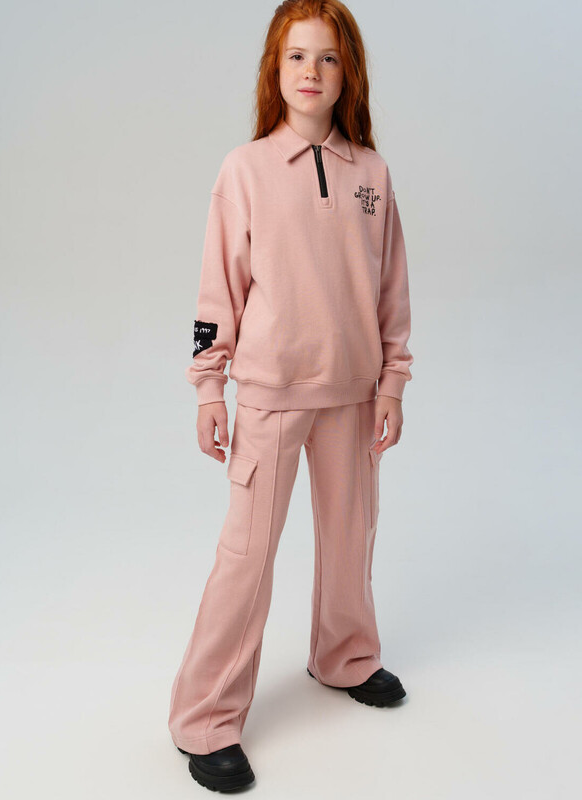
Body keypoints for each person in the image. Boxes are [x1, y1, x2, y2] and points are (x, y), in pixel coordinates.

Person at [168, 0, 414, 791]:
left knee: (350, 539)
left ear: (349, 74)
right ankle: (205, 718)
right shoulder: (243, 171)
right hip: (272, 393)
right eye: (297, 57)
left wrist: (392, 381)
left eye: (328, 57)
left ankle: (345, 658)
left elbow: (390, 290)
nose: (312, 71)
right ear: (275, 71)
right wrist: (210, 389)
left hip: (353, 393)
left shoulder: (372, 174)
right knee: (247, 557)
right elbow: (218, 290)